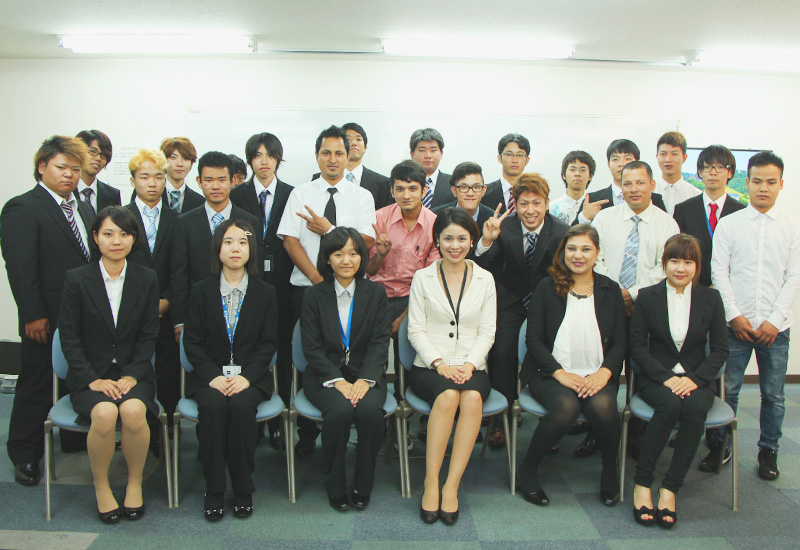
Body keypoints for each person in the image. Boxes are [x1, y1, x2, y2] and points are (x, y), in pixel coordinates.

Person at [1, 136, 95, 486]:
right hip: (45, 316)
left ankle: (72, 439)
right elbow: (20, 267)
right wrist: (32, 314)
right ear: (42, 167)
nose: (69, 175)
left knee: (76, 375)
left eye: (75, 169)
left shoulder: (81, 208)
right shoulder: (23, 207)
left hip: (80, 315)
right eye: (61, 168)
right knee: (37, 381)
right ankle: (25, 454)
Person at [277, 125, 376, 456]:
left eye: (339, 153)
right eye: (326, 153)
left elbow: (366, 243)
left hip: (351, 293)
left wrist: (329, 229)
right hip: (306, 290)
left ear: (349, 156)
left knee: (348, 361)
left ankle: (355, 427)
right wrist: (322, 286)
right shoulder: (301, 193)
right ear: (316, 156)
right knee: (311, 362)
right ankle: (306, 436)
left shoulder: (362, 196)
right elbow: (290, 241)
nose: (332, 159)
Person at [58, 206, 160, 523]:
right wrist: (92, 379)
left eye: (124, 234)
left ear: (133, 239)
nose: (117, 241)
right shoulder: (77, 279)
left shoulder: (146, 278)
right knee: (103, 413)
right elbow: (70, 337)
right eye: (108, 233)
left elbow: (148, 335)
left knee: (132, 411)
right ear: (95, 238)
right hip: (90, 375)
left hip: (134, 371)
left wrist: (132, 374)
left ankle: (133, 483)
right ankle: (101, 486)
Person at [518, 224, 626, 507]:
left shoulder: (610, 289)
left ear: (597, 253)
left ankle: (610, 471)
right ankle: (527, 471)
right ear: (563, 252)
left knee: (603, 407)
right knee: (566, 407)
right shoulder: (546, 286)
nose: (578, 255)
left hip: (596, 373)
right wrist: (559, 373)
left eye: (586, 249)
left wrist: (605, 372)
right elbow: (534, 339)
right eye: (572, 249)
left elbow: (620, 342)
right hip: (550, 373)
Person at [710, 151, 800, 481]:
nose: (764, 188)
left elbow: (794, 277)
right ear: (746, 183)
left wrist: (775, 320)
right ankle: (719, 446)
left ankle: (768, 451)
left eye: (771, 182)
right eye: (757, 181)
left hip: (776, 329)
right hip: (735, 325)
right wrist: (734, 315)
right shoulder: (730, 224)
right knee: (727, 389)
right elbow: (719, 271)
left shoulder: (793, 227)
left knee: (773, 394)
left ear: (781, 185)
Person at [629, 234, 729, 528]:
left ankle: (671, 487)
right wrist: (667, 378)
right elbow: (636, 346)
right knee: (669, 407)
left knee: (695, 411)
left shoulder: (711, 298)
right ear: (664, 263)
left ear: (697, 266)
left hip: (696, 380)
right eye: (674, 261)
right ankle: (643, 483)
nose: (680, 268)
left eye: (688, 262)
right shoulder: (647, 296)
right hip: (656, 378)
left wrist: (695, 380)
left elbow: (721, 348)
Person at [183, 219, 278, 521]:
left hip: (251, 377)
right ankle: (213, 487)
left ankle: (242, 486)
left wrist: (247, 376)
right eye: (227, 242)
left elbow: (268, 343)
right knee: (211, 408)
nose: (235, 248)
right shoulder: (200, 291)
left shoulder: (265, 293)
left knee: (240, 407)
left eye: (242, 242)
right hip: (208, 377)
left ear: (251, 249)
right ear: (217, 248)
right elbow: (193, 343)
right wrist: (212, 376)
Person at [407, 208, 497, 525]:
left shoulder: (486, 279)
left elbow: (487, 330)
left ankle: (451, 485)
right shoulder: (423, 277)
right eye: (447, 238)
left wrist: (470, 364)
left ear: (472, 241)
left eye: (461, 238)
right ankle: (431, 481)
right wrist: (440, 363)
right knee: (447, 397)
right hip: (430, 367)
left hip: (473, 368)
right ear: (437, 241)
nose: (454, 245)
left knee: (471, 398)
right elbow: (415, 329)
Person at [475, 173, 569, 449]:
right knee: (502, 352)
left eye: (536, 203)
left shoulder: (561, 231)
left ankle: (551, 422)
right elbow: (486, 267)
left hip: (547, 303)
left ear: (547, 203)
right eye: (524, 204)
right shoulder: (506, 228)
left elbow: (564, 275)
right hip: (511, 300)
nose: (530, 210)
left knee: (549, 354)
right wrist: (487, 241)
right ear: (515, 204)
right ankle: (499, 422)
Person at [301, 227, 390, 512]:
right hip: (324, 376)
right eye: (338, 254)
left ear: (362, 257)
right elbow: (311, 348)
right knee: (339, 412)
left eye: (353, 253)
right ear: (327, 259)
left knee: (370, 412)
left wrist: (365, 379)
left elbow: (380, 342)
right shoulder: (314, 296)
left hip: (367, 373)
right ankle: (335, 485)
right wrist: (337, 380)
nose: (346, 260)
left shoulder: (376, 293)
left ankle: (363, 484)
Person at [230, 132, 295, 449]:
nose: (264, 161)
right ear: (250, 160)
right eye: (257, 155)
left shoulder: (292, 194)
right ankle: (252, 416)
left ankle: (280, 419)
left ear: (278, 159)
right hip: (249, 281)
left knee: (282, 349)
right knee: (250, 347)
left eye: (270, 155)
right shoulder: (236, 195)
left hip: (284, 283)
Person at [170, 151, 262, 342]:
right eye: (209, 180)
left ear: (233, 180)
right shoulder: (184, 223)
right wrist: (179, 320)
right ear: (199, 181)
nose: (215, 186)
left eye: (222, 180)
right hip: (198, 312)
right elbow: (179, 274)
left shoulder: (250, 222)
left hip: (240, 311)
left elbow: (255, 267)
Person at [368, 160, 438, 407]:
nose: (406, 195)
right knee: (374, 362)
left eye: (412, 188)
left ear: (424, 190)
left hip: (414, 300)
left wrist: (404, 318)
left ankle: (406, 418)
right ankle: (377, 416)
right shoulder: (379, 218)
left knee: (410, 363)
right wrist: (381, 253)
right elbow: (368, 270)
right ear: (391, 191)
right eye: (400, 189)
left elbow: (430, 282)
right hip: (376, 297)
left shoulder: (434, 224)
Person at [124, 148, 181, 422]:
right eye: (144, 177)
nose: (152, 183)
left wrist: (168, 299)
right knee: (135, 370)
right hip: (129, 311)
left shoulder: (176, 219)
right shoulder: (119, 218)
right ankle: (137, 427)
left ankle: (167, 430)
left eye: (159, 177)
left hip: (166, 310)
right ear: (133, 180)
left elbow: (181, 268)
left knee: (168, 372)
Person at [593, 161, 679, 316]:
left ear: (652, 185)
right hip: (605, 302)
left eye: (640, 183)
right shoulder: (603, 218)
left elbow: (664, 267)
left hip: (650, 307)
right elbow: (594, 259)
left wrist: (631, 294)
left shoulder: (668, 224)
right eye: (627, 184)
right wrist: (616, 292)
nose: (634, 189)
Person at [673, 145, 744, 289]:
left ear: (730, 173)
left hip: (732, 290)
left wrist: (721, 284)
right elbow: (677, 253)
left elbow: (743, 257)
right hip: (691, 288)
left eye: (720, 167)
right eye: (708, 167)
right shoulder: (683, 210)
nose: (713, 172)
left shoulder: (741, 212)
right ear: (700, 172)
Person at [576, 139, 666, 224]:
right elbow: (571, 236)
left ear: (637, 163)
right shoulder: (592, 199)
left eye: (627, 158)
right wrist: (584, 218)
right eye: (615, 159)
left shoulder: (654, 199)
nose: (621, 164)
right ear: (608, 164)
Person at [313, 123, 392, 209]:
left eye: (358, 139)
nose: (353, 143)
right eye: (348, 138)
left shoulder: (382, 182)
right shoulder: (318, 178)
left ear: (365, 147)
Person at [433, 161, 495, 239]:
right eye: (464, 187)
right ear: (454, 191)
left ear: (483, 190)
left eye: (476, 187)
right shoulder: (435, 216)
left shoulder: (494, 220)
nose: (470, 193)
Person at [75, 129, 121, 214]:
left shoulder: (113, 194)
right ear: (79, 151)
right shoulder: (66, 190)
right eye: (93, 151)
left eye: (104, 155)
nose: (98, 158)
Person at [482, 134, 531, 213]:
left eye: (520, 155)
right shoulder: (485, 194)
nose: (514, 160)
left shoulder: (535, 192)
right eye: (509, 154)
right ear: (499, 158)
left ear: (527, 160)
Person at [655, 131, 700, 215]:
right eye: (663, 154)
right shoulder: (649, 192)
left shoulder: (696, 195)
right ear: (657, 156)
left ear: (684, 157)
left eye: (674, 154)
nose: (668, 159)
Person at [549, 150, 595, 225]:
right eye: (572, 169)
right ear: (564, 175)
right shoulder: (552, 208)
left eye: (583, 170)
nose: (577, 174)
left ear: (590, 176)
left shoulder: (594, 207)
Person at [410, 128, 452, 209]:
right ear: (412, 154)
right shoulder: (400, 183)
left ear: (441, 154)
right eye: (422, 150)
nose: (428, 156)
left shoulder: (453, 183)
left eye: (433, 150)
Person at [160, 137, 204, 213]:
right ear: (163, 160)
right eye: (173, 158)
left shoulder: (200, 202)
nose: (180, 164)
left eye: (186, 158)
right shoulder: (151, 195)